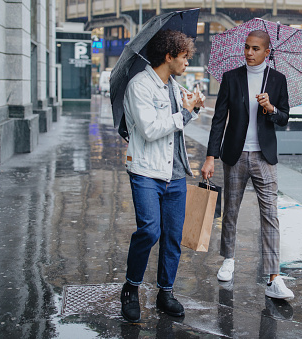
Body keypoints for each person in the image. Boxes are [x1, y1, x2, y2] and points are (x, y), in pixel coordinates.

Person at [201, 30, 294, 300]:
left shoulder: (277, 80)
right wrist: (211, 155)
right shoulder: (231, 78)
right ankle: (228, 258)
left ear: (267, 52)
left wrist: (271, 108)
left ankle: (274, 276)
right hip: (235, 154)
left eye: (255, 48)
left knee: (271, 215)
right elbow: (219, 119)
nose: (249, 53)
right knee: (230, 209)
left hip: (264, 156)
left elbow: (284, 117)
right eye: (246, 47)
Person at [120, 29, 205, 322]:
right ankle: (131, 288)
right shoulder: (139, 86)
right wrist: (184, 114)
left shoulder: (173, 87)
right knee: (149, 230)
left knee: (172, 236)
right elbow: (150, 129)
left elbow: (175, 128)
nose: (186, 63)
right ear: (168, 56)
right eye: (183, 57)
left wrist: (192, 109)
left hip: (176, 172)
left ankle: (165, 292)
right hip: (146, 171)